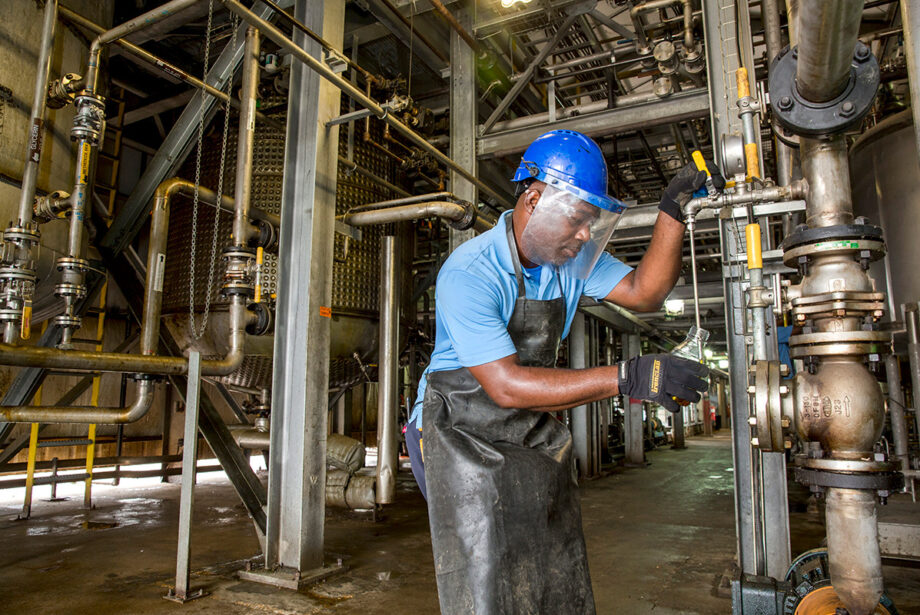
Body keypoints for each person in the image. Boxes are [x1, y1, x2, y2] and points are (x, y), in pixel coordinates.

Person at [405, 129, 720, 614]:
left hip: (523, 426)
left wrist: (671, 213)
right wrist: (626, 376)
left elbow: (644, 291)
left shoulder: (570, 261)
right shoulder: (471, 272)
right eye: (576, 220)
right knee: (485, 571)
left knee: (546, 557)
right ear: (533, 200)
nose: (583, 235)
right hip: (455, 431)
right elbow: (505, 385)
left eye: (591, 224)